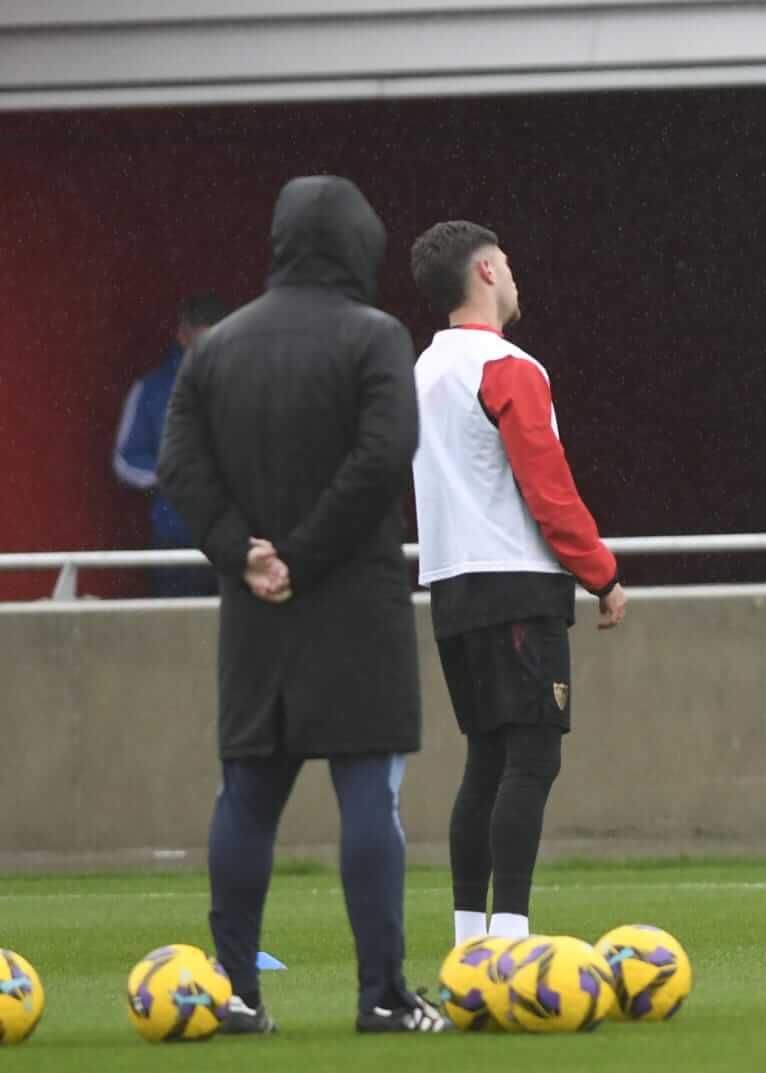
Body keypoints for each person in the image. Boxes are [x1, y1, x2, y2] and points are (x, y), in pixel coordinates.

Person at [158, 175, 448, 1033]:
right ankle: (383, 995)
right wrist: (307, 552)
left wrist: (243, 549)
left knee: (246, 795)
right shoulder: (375, 336)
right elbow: (385, 450)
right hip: (354, 596)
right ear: (359, 243)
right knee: (369, 795)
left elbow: (181, 466)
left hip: (255, 607)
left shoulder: (217, 348)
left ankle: (236, 991)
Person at [408, 220, 626, 946]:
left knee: (486, 758)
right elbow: (547, 484)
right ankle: (510, 936)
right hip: (515, 579)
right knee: (532, 756)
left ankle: (471, 937)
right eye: (507, 260)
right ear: (488, 272)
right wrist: (601, 571)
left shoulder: (422, 371)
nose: (515, 272)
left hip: (449, 582)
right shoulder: (508, 366)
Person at [113, 292, 231, 597]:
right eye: (200, 339)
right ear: (183, 334)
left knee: (238, 639)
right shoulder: (151, 390)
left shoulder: (252, 387)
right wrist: (170, 475)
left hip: (238, 537)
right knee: (176, 637)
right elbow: (125, 460)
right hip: (174, 537)